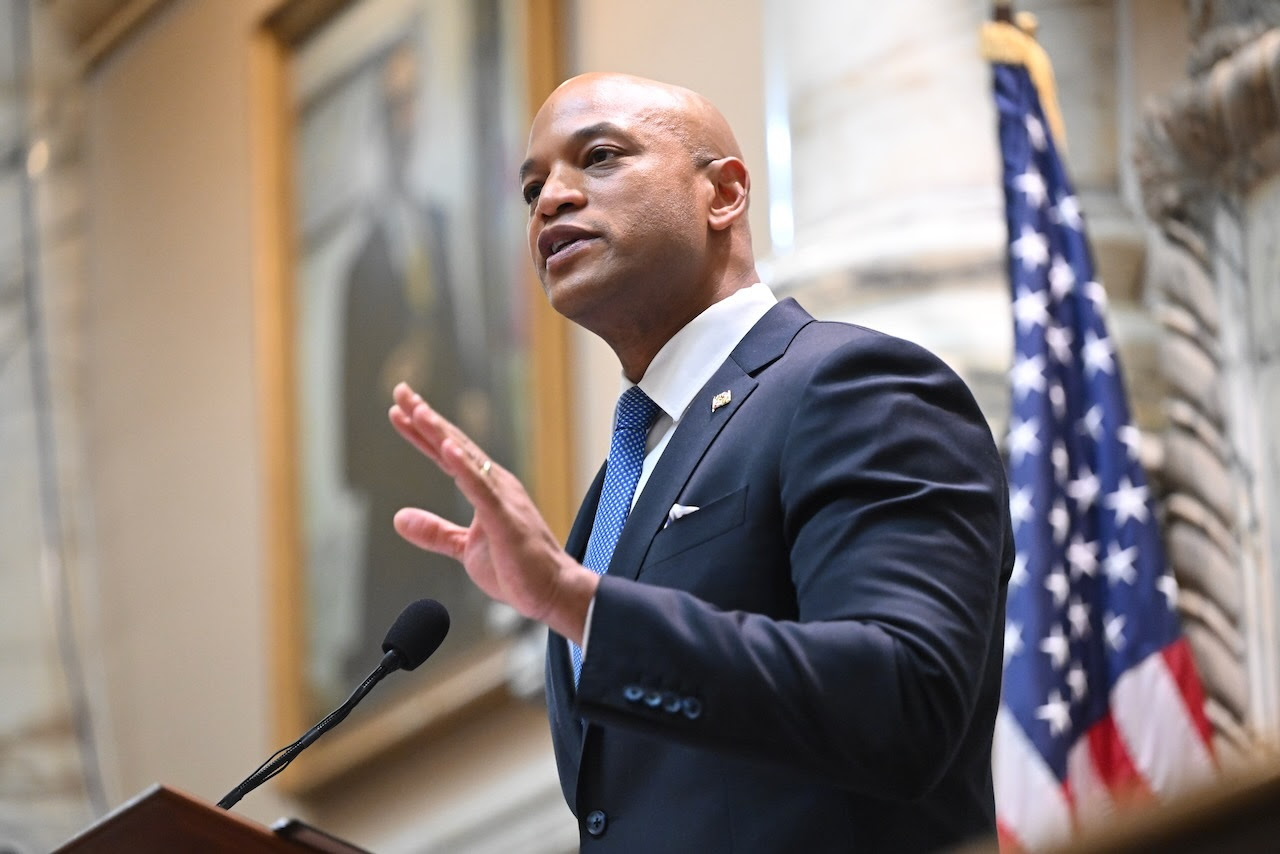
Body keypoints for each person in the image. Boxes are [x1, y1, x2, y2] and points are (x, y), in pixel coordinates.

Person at [388, 72, 1012, 852]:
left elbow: (902, 699)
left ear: (723, 194)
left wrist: (578, 602)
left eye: (601, 156)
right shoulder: (616, 489)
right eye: (533, 187)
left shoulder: (853, 385)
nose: (550, 200)